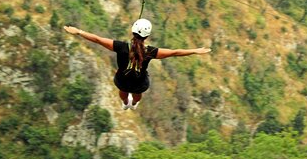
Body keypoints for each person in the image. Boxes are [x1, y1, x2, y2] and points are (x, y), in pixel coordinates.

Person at [63, 19, 211, 110]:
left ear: (133, 31)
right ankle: (133, 104)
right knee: (137, 93)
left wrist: (79, 32)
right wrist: (194, 51)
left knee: (123, 89)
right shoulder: (150, 52)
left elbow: (97, 39)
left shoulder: (121, 46)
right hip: (139, 83)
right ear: (147, 36)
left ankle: (126, 103)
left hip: (122, 80)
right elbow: (174, 52)